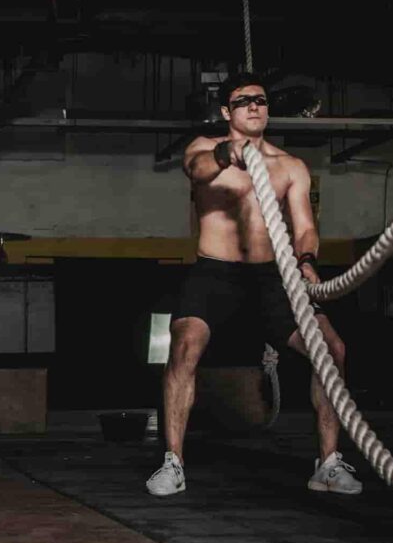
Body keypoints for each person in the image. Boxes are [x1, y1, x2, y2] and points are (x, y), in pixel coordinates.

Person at [146, 71, 361, 497]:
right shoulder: (206, 150)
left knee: (332, 350)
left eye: (260, 100)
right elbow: (198, 169)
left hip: (272, 277)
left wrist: (306, 261)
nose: (255, 106)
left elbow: (304, 227)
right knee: (185, 344)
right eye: (243, 101)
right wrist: (230, 153)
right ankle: (173, 463)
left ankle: (329, 464)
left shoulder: (290, 166)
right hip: (215, 272)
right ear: (227, 111)